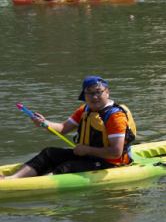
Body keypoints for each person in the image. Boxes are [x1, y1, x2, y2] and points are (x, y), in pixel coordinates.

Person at [1, 76, 136, 179]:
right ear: (84, 95)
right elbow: (62, 128)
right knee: (49, 152)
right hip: (87, 155)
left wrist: (86, 149)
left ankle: (33, 184)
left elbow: (116, 152)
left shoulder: (115, 116)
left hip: (110, 163)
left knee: (68, 167)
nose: (94, 97)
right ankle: (12, 179)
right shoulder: (85, 109)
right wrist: (44, 123)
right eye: (89, 93)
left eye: (98, 92)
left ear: (107, 92)